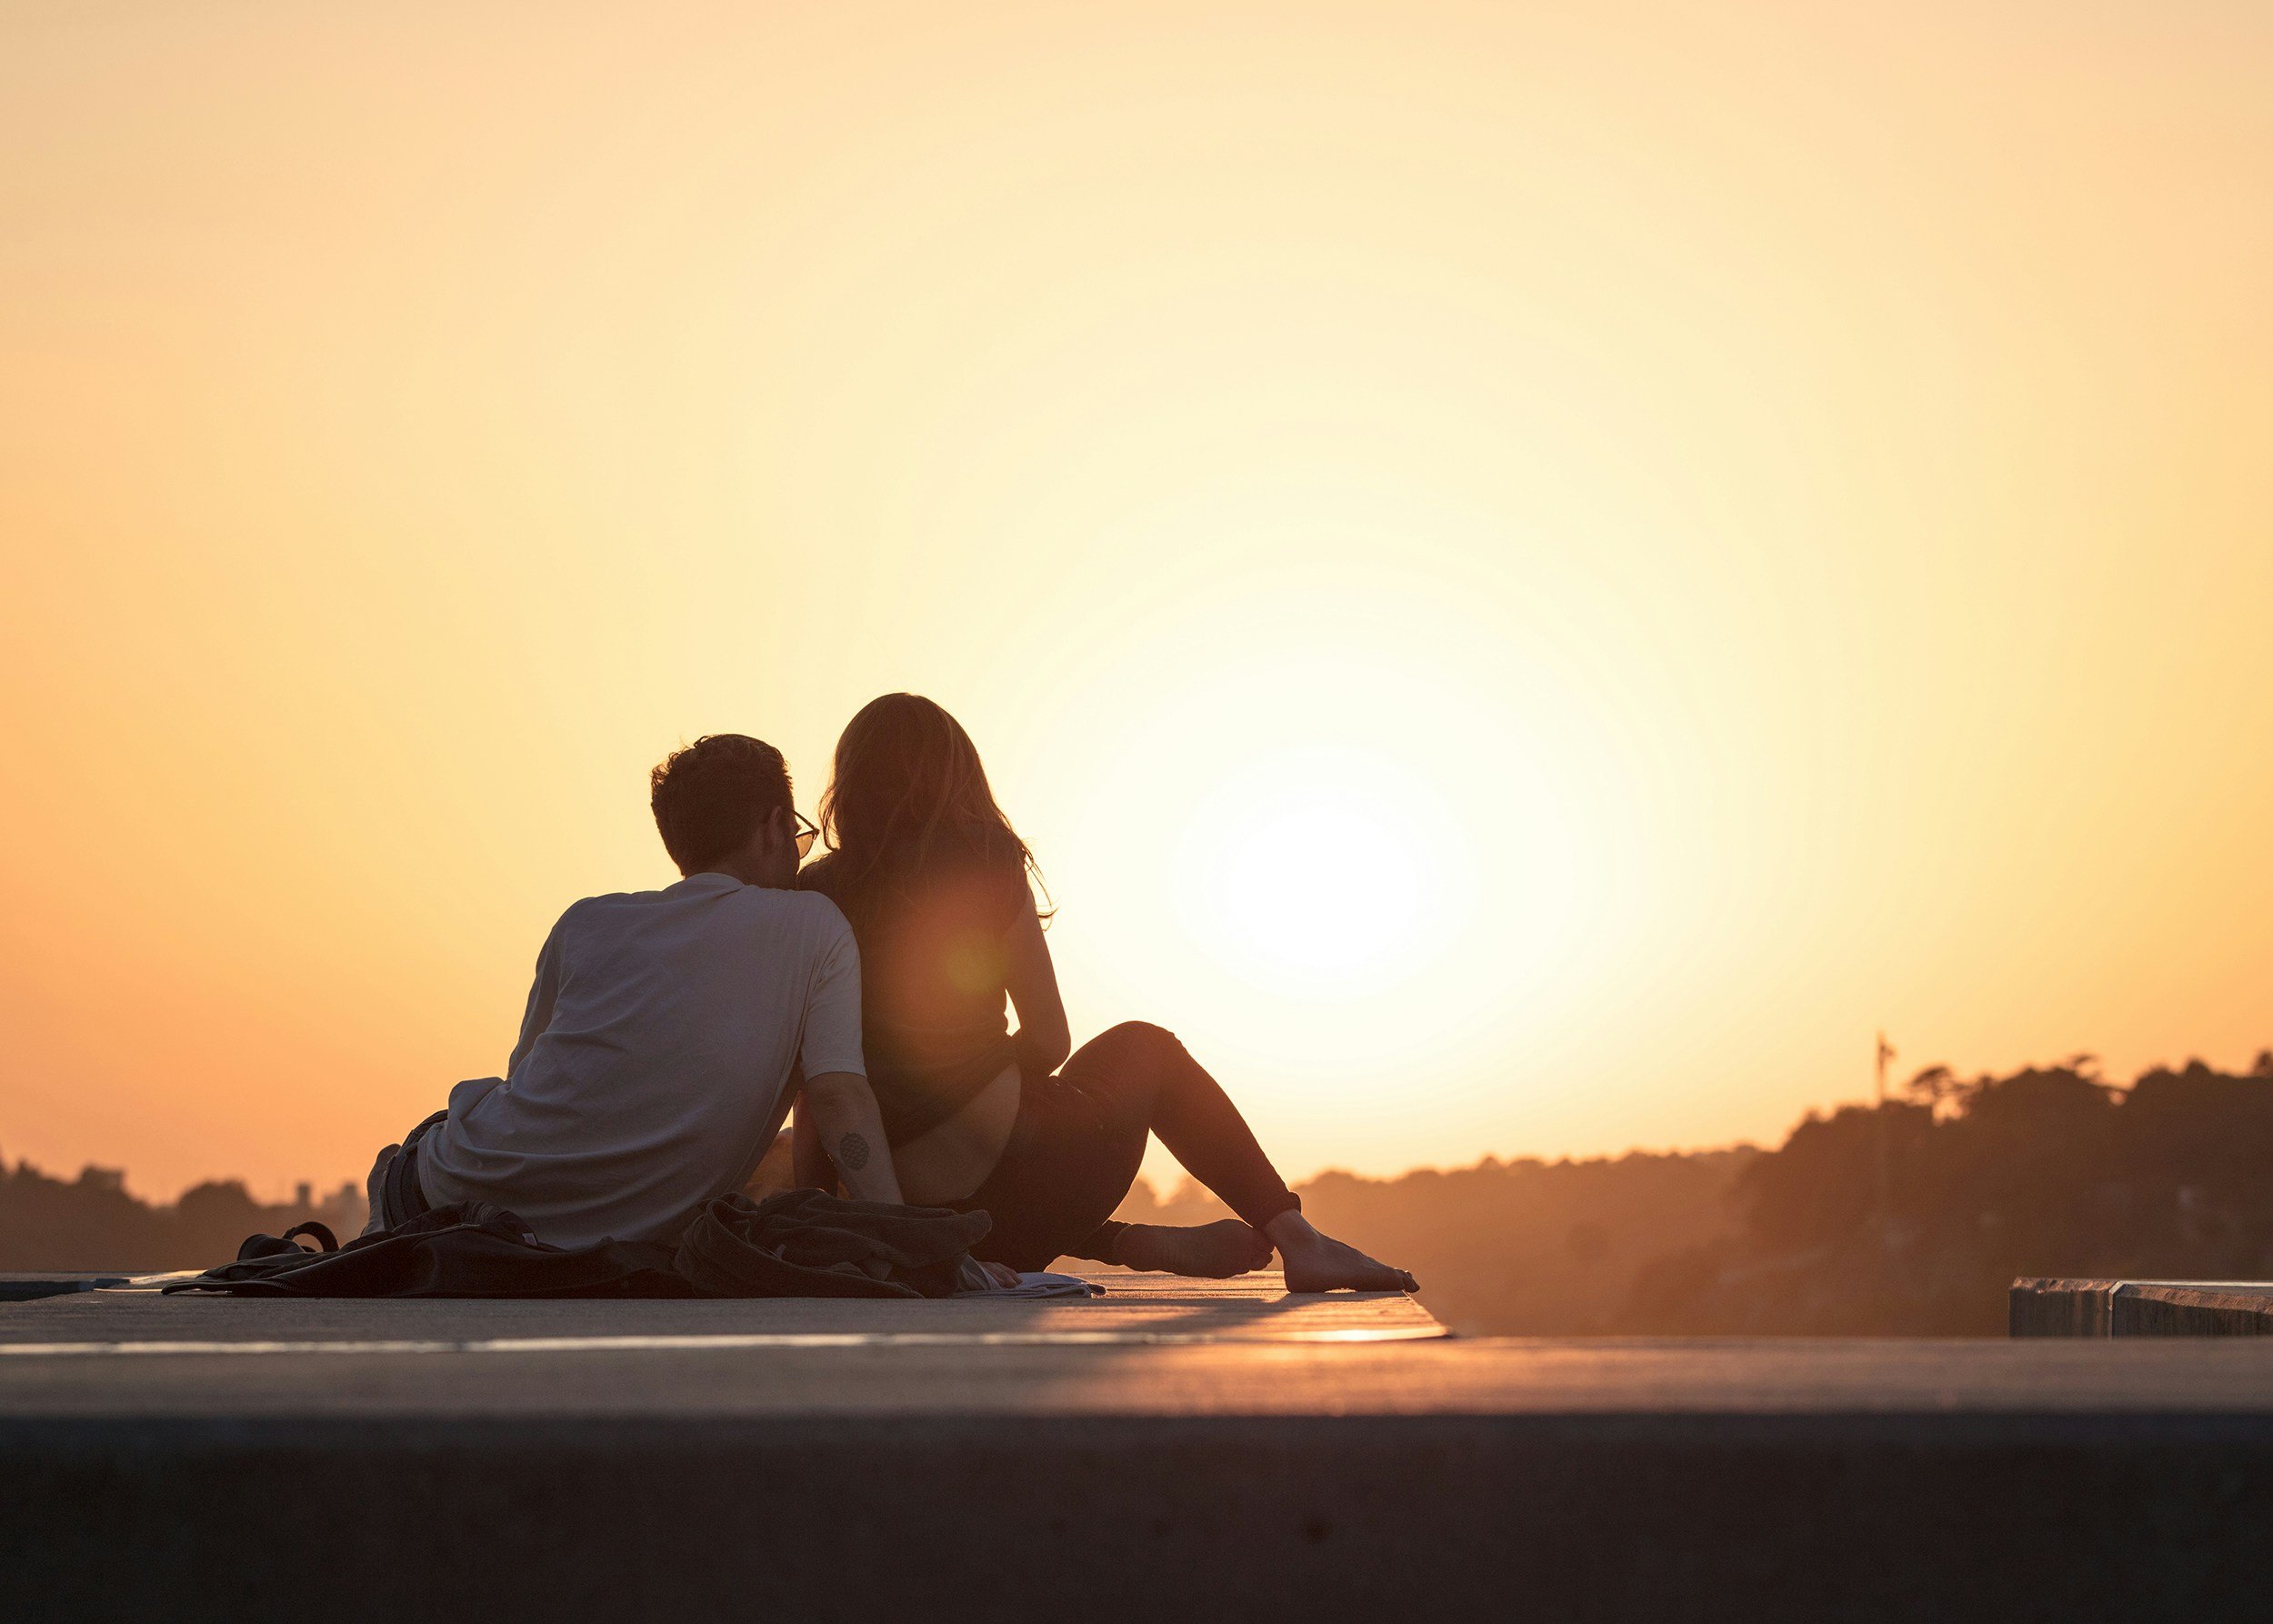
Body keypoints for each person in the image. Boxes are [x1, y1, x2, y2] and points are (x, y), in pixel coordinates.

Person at [794, 694, 1417, 1293]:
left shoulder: (814, 893)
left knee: (992, 1172)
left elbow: (815, 1086)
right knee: (1147, 1048)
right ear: (957, 778)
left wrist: (831, 1214)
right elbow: (1049, 1037)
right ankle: (1300, 1241)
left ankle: (1115, 1241)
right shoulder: (985, 859)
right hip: (1021, 1180)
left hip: (920, 1219)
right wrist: (986, 1084)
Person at [365, 733, 1008, 1286]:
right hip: (596, 1240)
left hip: (449, 1194)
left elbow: (537, 1087)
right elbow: (840, 1101)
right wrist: (911, 1248)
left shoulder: (587, 923)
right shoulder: (815, 926)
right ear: (774, 827)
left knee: (426, 1146)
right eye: (799, 836)